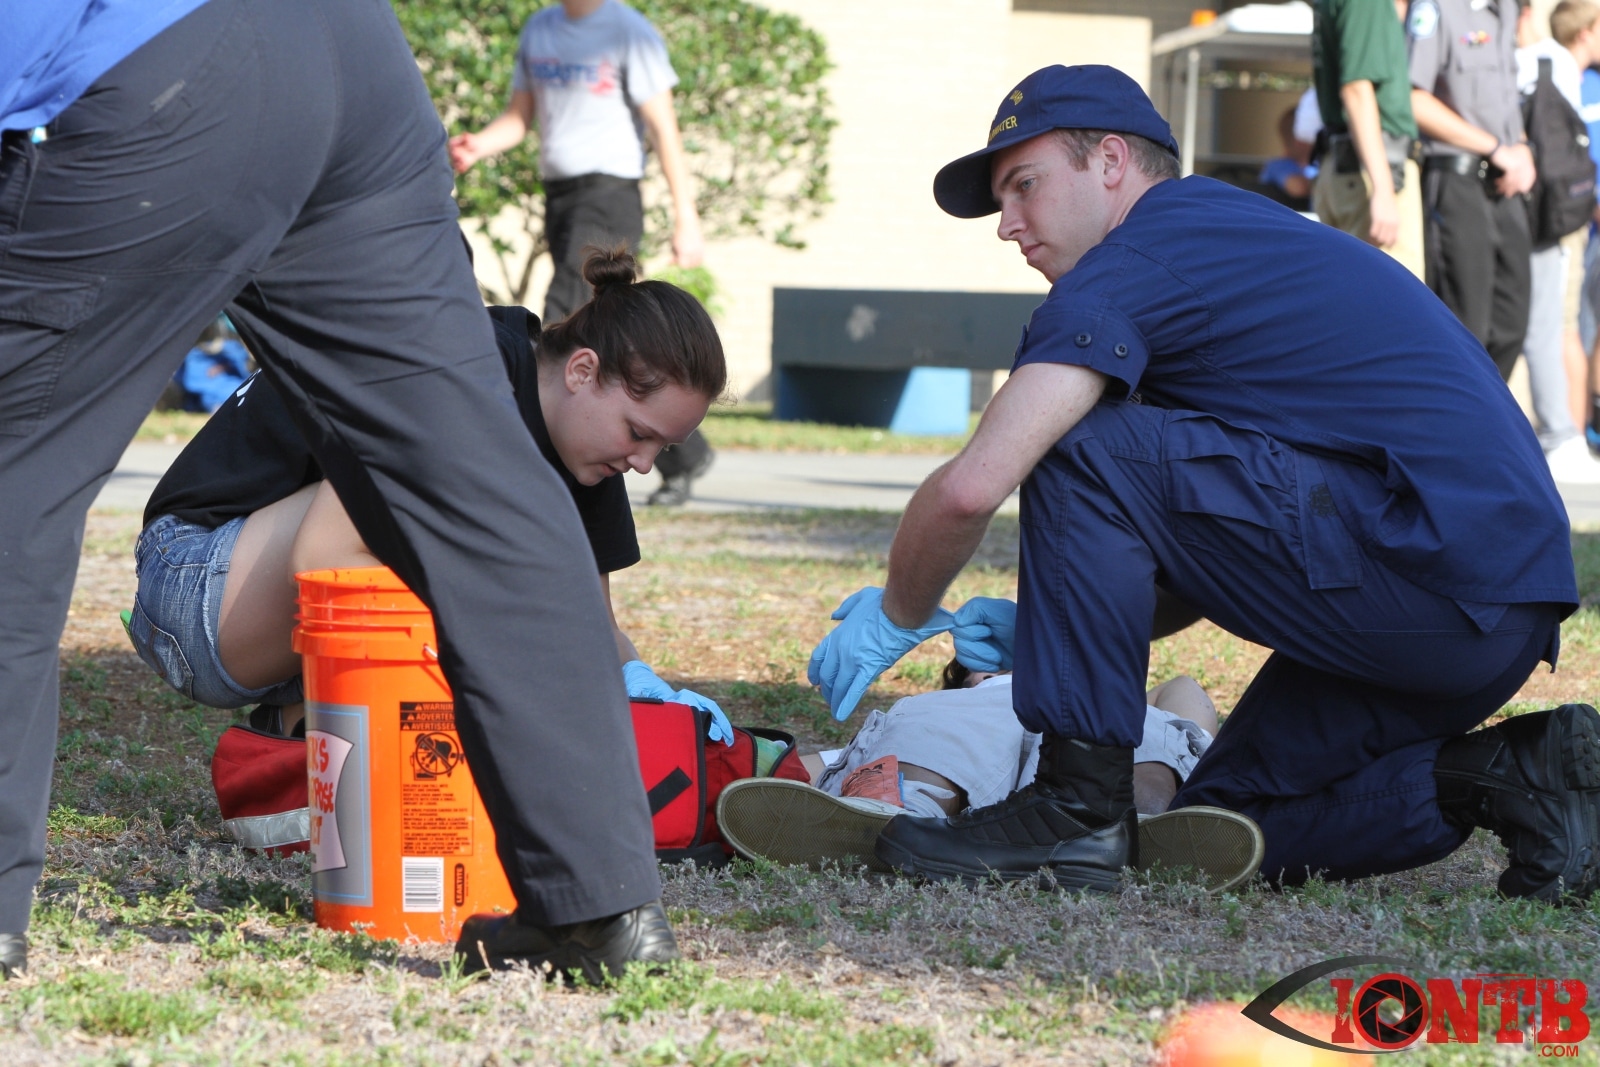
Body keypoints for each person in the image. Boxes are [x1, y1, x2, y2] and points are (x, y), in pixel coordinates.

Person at [0, 0, 680, 983]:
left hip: (157, 53)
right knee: (479, 488)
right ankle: (599, 908)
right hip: (352, 57)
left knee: (16, 472)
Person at [806, 64, 1597, 902]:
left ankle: (1074, 808)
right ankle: (1511, 775)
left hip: (1437, 571)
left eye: (1024, 186)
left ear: (1111, 161)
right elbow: (1200, 550)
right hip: (1480, 610)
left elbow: (976, 484)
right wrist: (1050, 625)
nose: (1008, 225)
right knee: (1213, 828)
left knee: (1078, 436)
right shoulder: (1223, 238)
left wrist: (900, 612)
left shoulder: (1137, 256)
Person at [129, 249, 734, 754]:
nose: (644, 463)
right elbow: (322, 556)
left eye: (662, 447)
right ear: (582, 371)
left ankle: (301, 730)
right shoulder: (457, 370)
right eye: (638, 433)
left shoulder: (591, 449)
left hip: (285, 614)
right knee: (483, 551)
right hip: (195, 588)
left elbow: (590, 628)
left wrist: (648, 696)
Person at [449, 0, 716, 509]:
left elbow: (664, 127)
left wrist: (687, 216)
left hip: (608, 193)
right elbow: (518, 118)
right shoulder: (540, 29)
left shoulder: (628, 31)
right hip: (561, 196)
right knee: (592, 344)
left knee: (562, 330)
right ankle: (686, 452)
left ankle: (553, 471)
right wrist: (478, 145)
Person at [717, 667, 1266, 893]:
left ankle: (895, 812)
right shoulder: (980, 689)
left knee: (922, 756)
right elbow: (1186, 691)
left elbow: (796, 771)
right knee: (1142, 756)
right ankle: (1138, 827)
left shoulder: (1099, 687)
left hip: (1073, 715)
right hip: (1072, 718)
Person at [1407, 0, 1536, 379]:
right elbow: (1415, 100)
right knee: (1467, 326)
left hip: (1505, 182)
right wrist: (1494, 148)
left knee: (1512, 322)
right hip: (1457, 180)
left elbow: (1507, 101)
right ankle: (1455, 413)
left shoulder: (1505, 9)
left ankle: (1485, 410)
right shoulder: (1435, 8)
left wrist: (1523, 148)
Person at [1516, 1, 1600, 482]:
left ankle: (1565, 433)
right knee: (1557, 324)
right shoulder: (1555, 64)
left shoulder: (1544, 62)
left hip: (1541, 214)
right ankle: (1562, 435)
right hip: (1556, 217)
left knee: (1556, 323)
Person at [1312, 0, 1426, 278]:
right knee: (1394, 294)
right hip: (1374, 170)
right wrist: (1383, 189)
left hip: (1351, 165)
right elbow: (1356, 89)